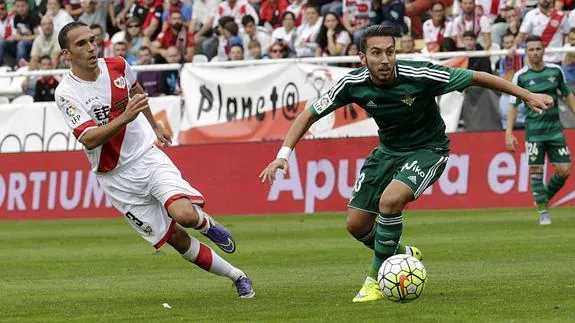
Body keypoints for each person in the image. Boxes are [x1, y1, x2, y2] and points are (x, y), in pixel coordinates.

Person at [259, 25, 552, 303]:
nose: (385, 59)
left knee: (390, 202)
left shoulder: (420, 74)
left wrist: (527, 95)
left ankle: (374, 281)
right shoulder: (353, 84)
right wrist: (283, 155)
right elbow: (309, 114)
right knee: (356, 225)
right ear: (362, 58)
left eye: (390, 52)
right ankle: (403, 252)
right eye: (376, 53)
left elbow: (476, 76)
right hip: (388, 152)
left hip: (429, 149)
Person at [54, 21, 255, 298]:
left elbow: (137, 91)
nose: (91, 48)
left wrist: (155, 124)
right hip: (115, 177)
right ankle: (238, 276)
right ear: (66, 54)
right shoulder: (66, 93)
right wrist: (125, 117)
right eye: (81, 44)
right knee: (174, 238)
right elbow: (88, 138)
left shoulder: (118, 65)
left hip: (145, 156)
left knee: (183, 214)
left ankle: (207, 225)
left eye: (92, 40)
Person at [505, 35, 574, 225]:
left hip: (555, 130)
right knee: (536, 170)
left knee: (565, 170)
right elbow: (513, 105)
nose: (535, 53)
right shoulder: (521, 76)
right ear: (526, 52)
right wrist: (509, 132)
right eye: (531, 50)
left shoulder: (556, 71)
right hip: (534, 132)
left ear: (544, 50)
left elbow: (567, 95)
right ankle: (543, 212)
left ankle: (542, 198)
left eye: (538, 49)